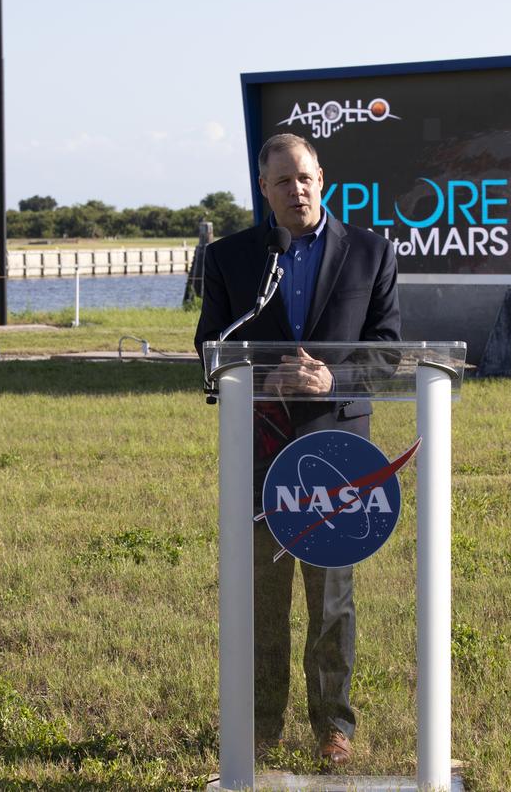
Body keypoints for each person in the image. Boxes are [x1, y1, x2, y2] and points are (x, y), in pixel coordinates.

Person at [195, 133, 400, 766]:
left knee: (332, 594)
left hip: (339, 451)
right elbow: (210, 353)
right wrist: (261, 376)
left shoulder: (370, 252)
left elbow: (389, 352)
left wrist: (332, 377)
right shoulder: (231, 258)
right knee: (264, 591)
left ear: (322, 178)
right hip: (261, 444)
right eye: (282, 181)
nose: (297, 189)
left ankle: (334, 725)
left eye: (305, 177)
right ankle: (261, 725)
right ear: (263, 188)